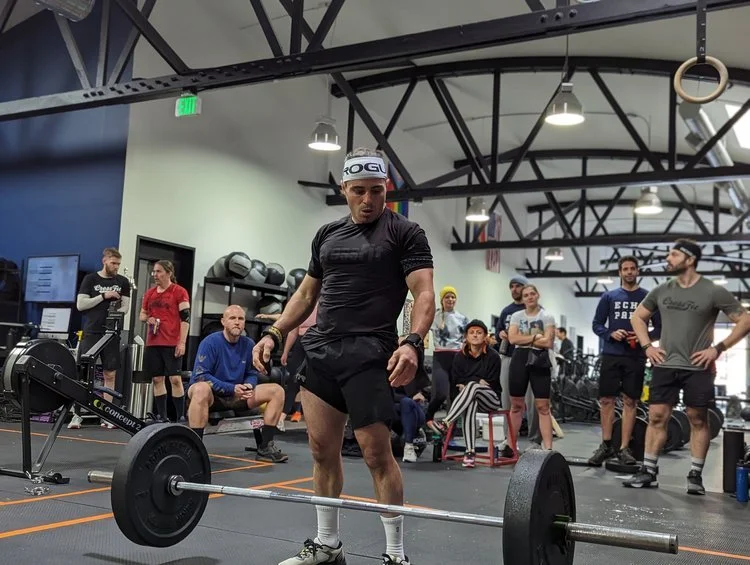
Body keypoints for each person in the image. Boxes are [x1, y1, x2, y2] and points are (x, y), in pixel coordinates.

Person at [252, 147, 435, 565]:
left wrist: (413, 341)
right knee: (320, 450)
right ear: (344, 190)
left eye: (376, 191)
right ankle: (327, 545)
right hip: (321, 352)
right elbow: (306, 292)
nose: (368, 200)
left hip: (371, 354)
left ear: (386, 188)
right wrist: (276, 330)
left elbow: (423, 292)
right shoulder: (327, 234)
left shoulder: (406, 232)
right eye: (358, 191)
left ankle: (395, 555)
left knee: (376, 455)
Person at [624, 239, 750, 494]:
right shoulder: (662, 289)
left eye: (672, 254)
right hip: (665, 364)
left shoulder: (712, 290)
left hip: (699, 367)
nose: (667, 259)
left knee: (697, 418)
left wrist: (718, 349)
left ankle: (695, 474)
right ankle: (648, 470)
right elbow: (637, 316)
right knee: (657, 416)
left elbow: (745, 320)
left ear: (689, 259)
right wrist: (648, 345)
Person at [187, 305, 288, 462]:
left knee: (277, 391)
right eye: (232, 318)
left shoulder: (248, 344)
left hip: (238, 395)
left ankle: (265, 447)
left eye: (241, 319)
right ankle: (194, 450)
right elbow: (201, 376)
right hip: (214, 397)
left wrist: (249, 386)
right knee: (200, 388)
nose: (237, 322)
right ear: (223, 322)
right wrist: (231, 388)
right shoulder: (210, 343)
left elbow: (251, 373)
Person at [588, 255, 661, 466]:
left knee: (631, 401)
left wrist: (642, 337)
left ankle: (624, 448)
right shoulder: (609, 297)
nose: (629, 272)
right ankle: (606, 445)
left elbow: (659, 328)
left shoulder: (648, 298)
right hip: (611, 354)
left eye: (632, 268)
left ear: (637, 271)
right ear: (620, 272)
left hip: (635, 356)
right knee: (606, 400)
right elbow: (597, 325)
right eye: (625, 269)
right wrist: (611, 333)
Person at [71, 247, 131, 429]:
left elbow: (125, 308)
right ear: (104, 260)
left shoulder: (123, 282)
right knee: (84, 372)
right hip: (92, 331)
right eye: (113, 263)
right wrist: (104, 296)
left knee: (110, 373)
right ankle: (77, 414)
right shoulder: (91, 279)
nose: (116, 267)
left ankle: (107, 415)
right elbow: (81, 305)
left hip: (111, 333)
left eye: (118, 264)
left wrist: (114, 311)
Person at [430, 320, 502, 468]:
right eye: (472, 332)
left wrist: (470, 382)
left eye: (479, 332)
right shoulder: (460, 357)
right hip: (471, 398)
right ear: (466, 336)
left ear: (485, 336)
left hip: (491, 398)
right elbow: (456, 381)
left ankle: (446, 422)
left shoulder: (493, 356)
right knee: (471, 400)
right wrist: (476, 381)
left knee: (472, 387)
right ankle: (470, 453)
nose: (475, 335)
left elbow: (491, 382)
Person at [139, 260, 190, 423]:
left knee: (175, 379)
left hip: (172, 342)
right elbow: (142, 314)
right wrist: (149, 319)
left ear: (169, 273)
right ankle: (163, 416)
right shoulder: (149, 294)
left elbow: (185, 318)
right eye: (154, 272)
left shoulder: (179, 292)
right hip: (153, 343)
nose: (155, 275)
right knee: (157, 379)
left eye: (159, 271)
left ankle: (181, 415)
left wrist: (181, 342)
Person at [507, 284, 556, 451]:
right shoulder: (516, 316)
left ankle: (548, 448)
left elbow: (548, 342)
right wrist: (536, 336)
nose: (529, 297)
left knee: (543, 406)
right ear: (522, 298)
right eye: (526, 295)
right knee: (516, 405)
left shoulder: (547, 316)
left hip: (539, 359)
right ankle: (510, 446)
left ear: (537, 295)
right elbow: (512, 339)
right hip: (519, 359)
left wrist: (524, 338)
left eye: (532, 294)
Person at [495, 275, 539, 449]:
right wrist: (501, 335)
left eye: (518, 286)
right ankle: (509, 439)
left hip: (530, 358)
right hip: (508, 357)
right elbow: (498, 332)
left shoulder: (534, 309)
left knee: (533, 400)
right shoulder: (506, 311)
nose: (514, 289)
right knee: (508, 400)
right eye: (511, 286)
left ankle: (535, 440)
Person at [392, 368, 430, 463]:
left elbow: (428, 391)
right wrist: (410, 397)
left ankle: (409, 446)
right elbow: (385, 395)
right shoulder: (386, 373)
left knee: (407, 402)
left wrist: (421, 395)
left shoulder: (414, 368)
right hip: (395, 410)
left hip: (415, 410)